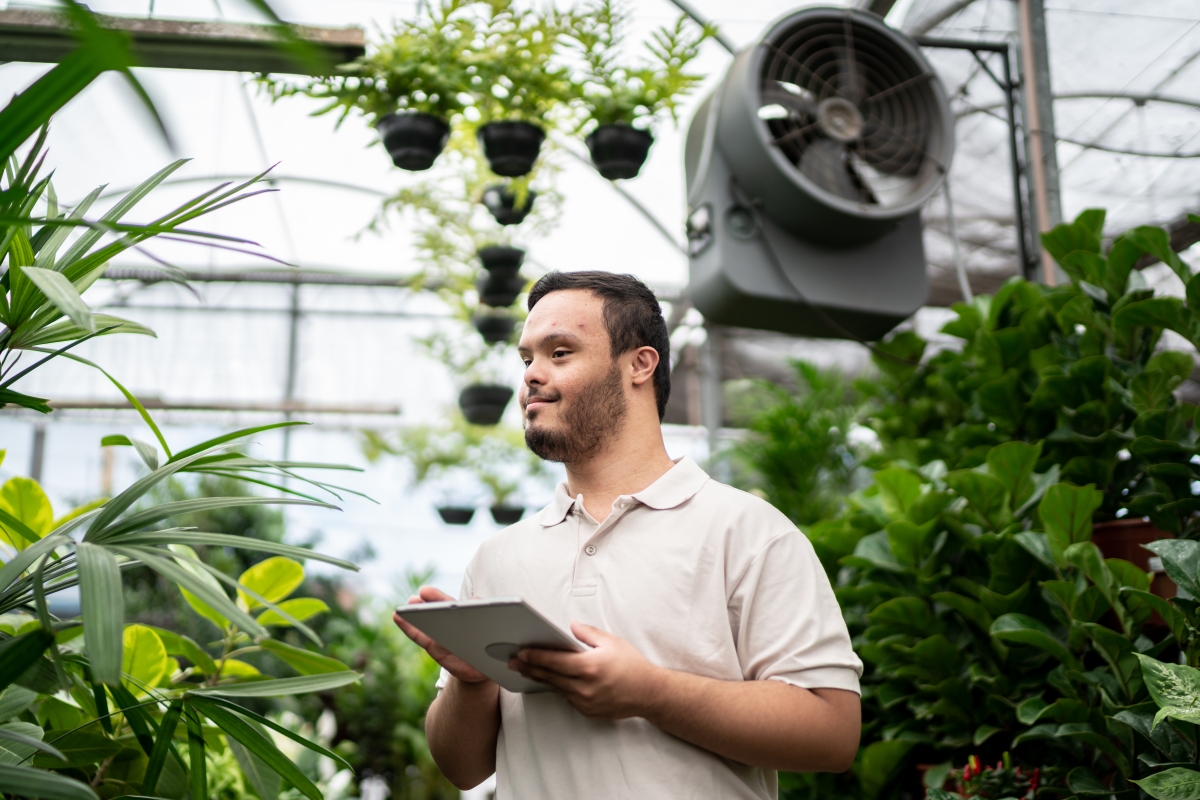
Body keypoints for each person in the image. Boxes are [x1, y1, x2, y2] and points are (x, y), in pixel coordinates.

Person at [393, 271, 863, 799]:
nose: (531, 376)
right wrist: (472, 681)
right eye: (527, 359)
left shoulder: (748, 533)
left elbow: (833, 734)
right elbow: (462, 769)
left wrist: (651, 692)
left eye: (561, 352)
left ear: (640, 363)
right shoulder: (498, 557)